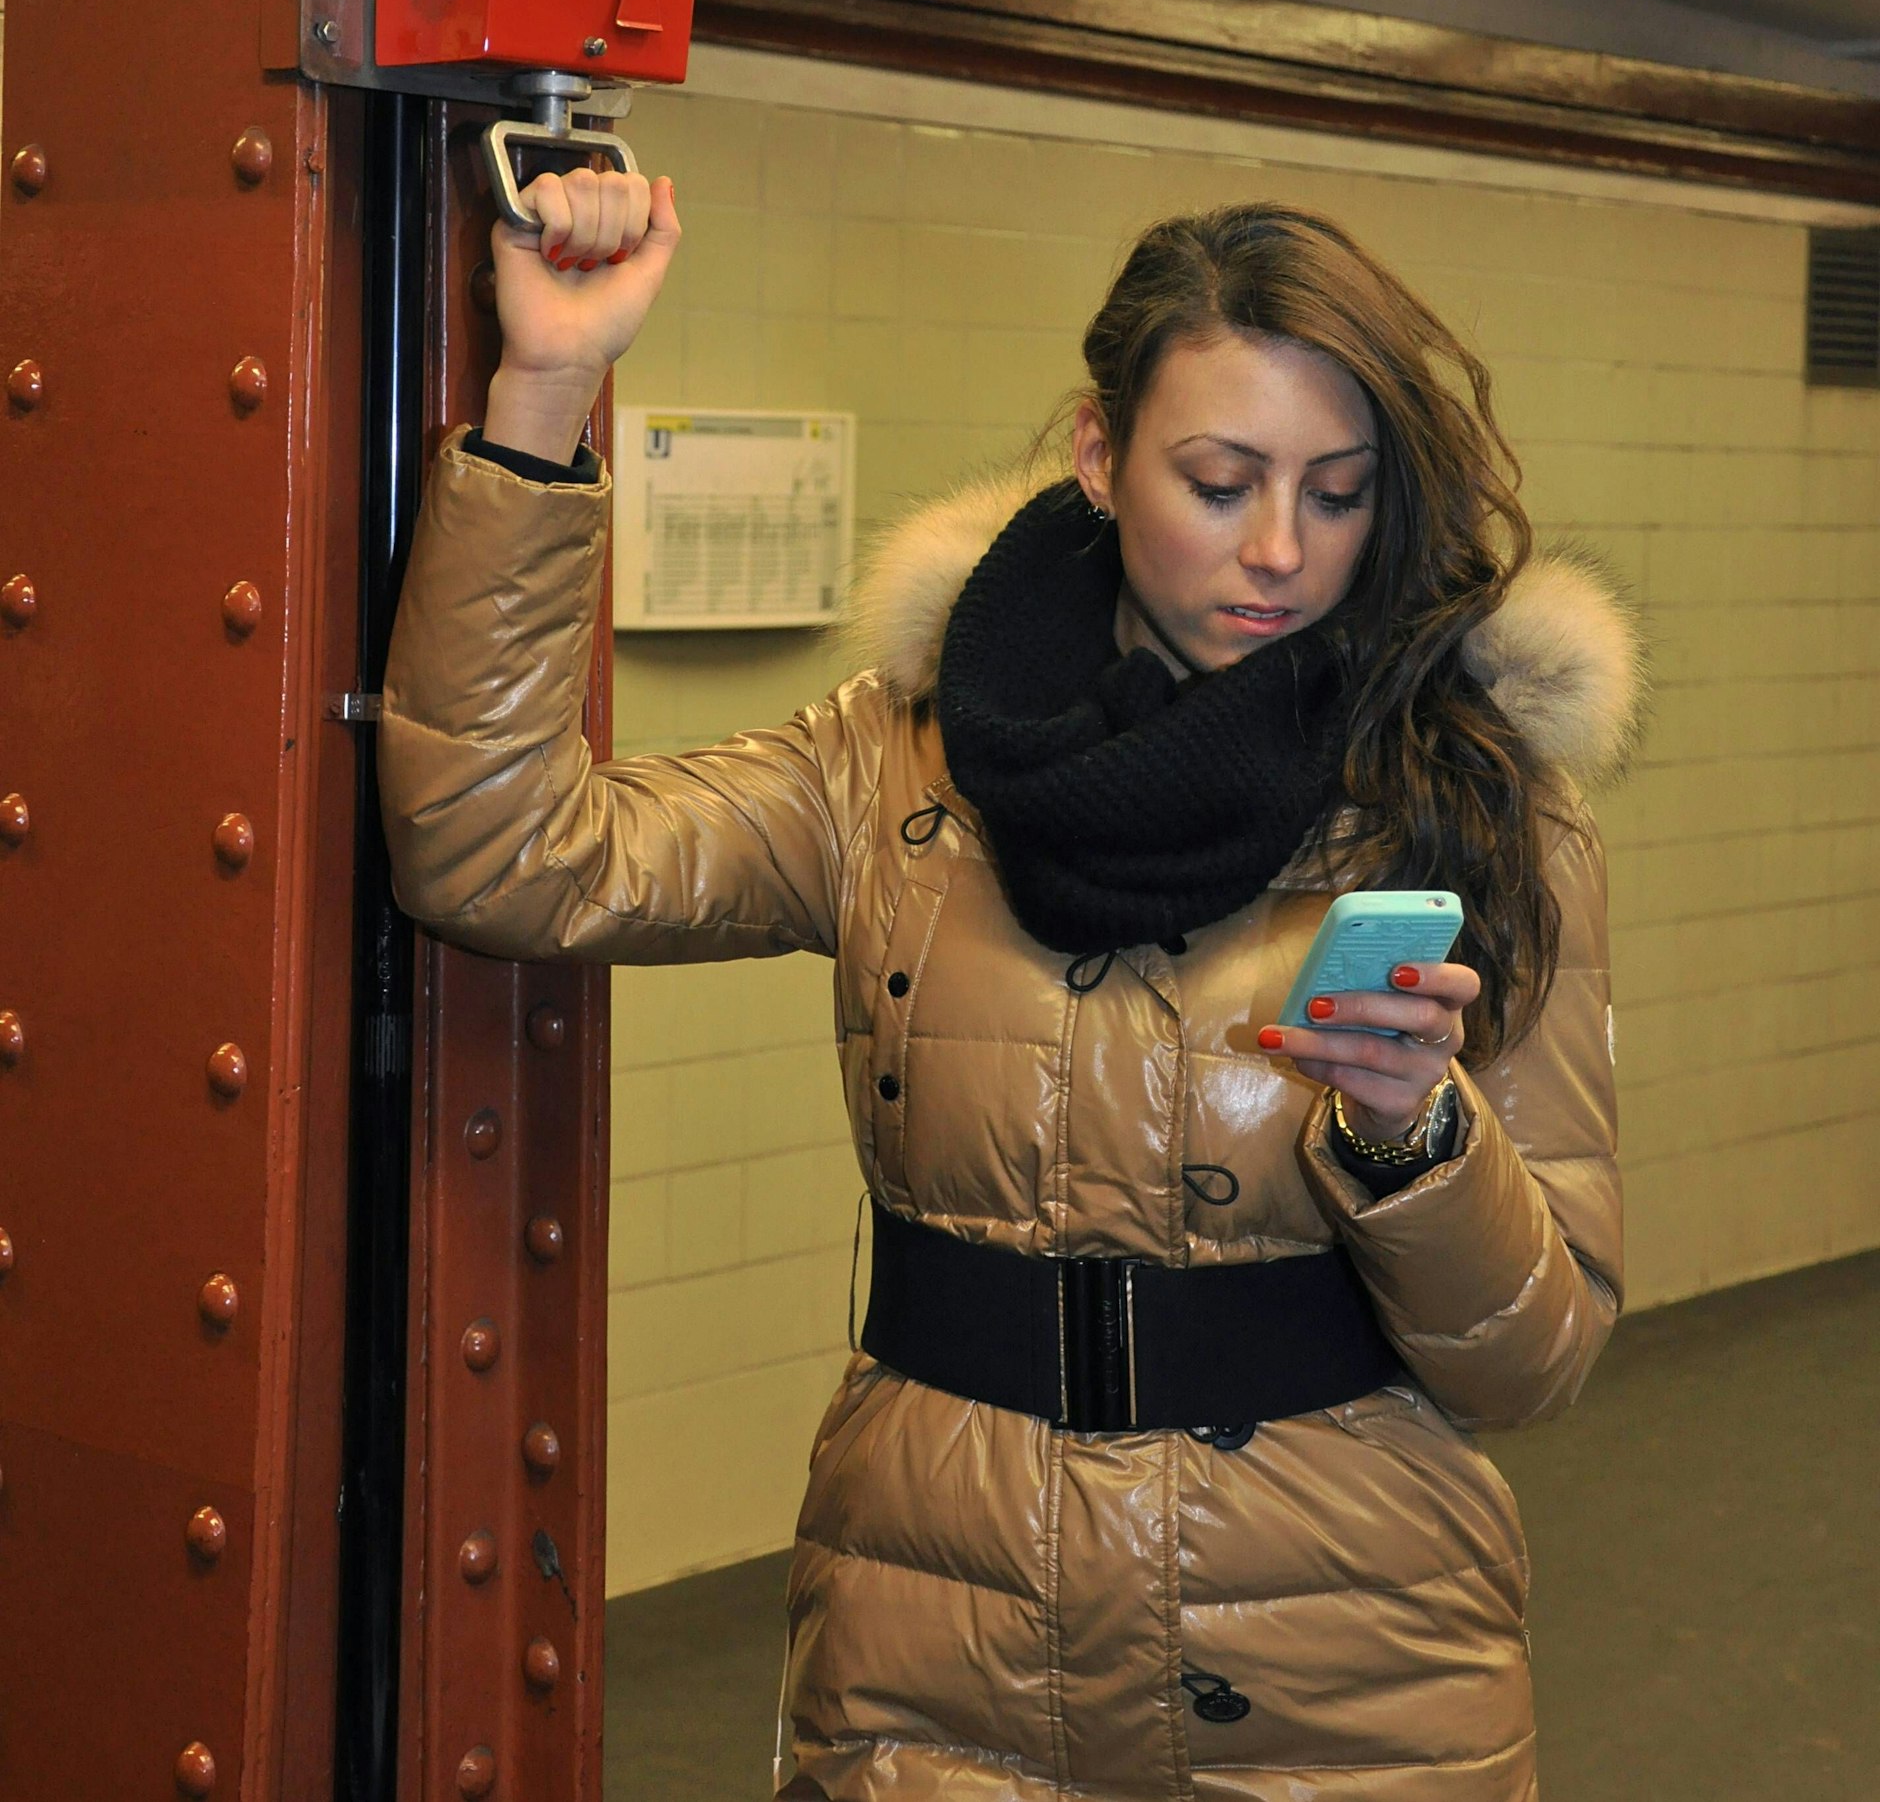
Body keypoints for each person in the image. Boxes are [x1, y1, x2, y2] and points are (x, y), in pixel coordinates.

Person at [380, 165, 1640, 1802]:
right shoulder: (896, 767)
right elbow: (501, 849)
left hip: (1351, 1671)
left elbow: (1532, 1359)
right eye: (1218, 476)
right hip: (938, 1653)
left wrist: (1418, 1136)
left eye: (1336, 494)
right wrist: (544, 393)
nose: (1280, 549)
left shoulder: (1478, 800)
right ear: (1101, 457)